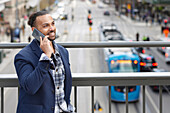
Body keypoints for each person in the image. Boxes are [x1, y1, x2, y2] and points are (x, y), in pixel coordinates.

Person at [14, 11, 74, 113]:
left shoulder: (63, 52)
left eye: (53, 24)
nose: (51, 28)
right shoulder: (23, 56)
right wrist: (46, 57)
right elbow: (30, 87)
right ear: (34, 31)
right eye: (45, 26)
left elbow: (64, 86)